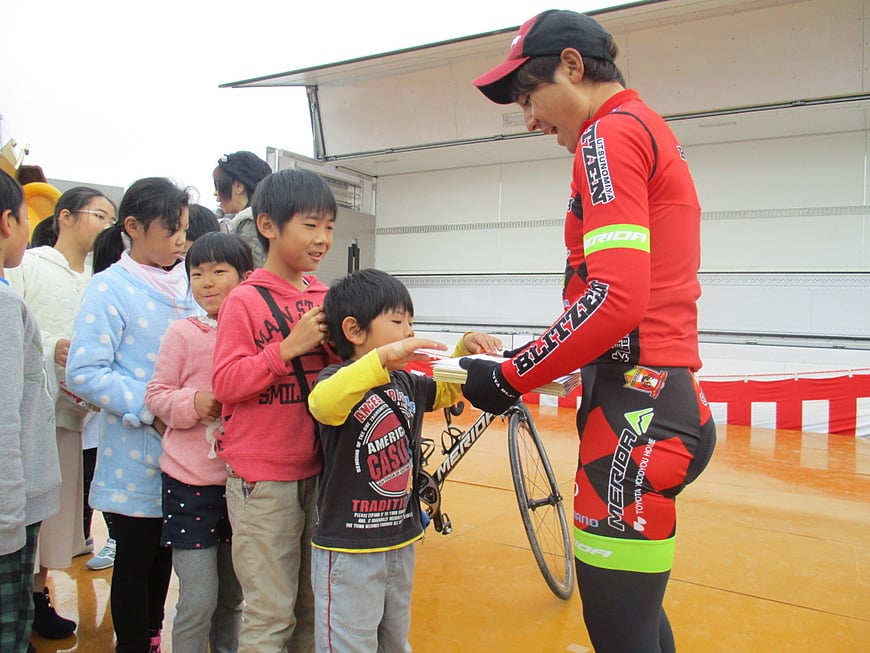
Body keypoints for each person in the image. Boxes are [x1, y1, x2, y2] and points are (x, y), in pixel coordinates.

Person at [464, 10, 717, 652]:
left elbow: (615, 296)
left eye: (530, 96)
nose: (528, 119)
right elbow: (611, 297)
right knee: (636, 627)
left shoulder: (609, 136)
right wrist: (519, 362)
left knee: (619, 634)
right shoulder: (646, 127)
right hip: (658, 400)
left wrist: (511, 375)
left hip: (634, 417)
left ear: (573, 66)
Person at [308, 268, 502, 652]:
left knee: (394, 640)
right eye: (398, 322)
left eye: (411, 323)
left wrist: (465, 348)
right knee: (348, 642)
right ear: (354, 330)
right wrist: (385, 357)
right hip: (349, 547)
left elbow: (445, 392)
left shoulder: (406, 383)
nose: (408, 332)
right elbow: (323, 405)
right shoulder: (336, 380)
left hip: (400, 539)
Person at [66, 177, 199, 653]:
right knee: (136, 557)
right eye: (171, 231)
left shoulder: (188, 281)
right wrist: (152, 407)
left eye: (184, 230)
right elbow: (85, 371)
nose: (181, 241)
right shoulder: (110, 288)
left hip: (184, 452)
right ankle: (132, 645)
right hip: (134, 451)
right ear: (134, 228)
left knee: (165, 554)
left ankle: (151, 637)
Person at [212, 168, 338, 653]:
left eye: (328, 226)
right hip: (263, 481)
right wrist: (285, 350)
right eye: (310, 225)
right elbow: (225, 384)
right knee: (269, 614)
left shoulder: (325, 297)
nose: (323, 239)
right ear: (268, 225)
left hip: (320, 473)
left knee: (311, 608)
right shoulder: (243, 300)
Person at [5, 186, 116, 639]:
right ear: (65, 217)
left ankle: (38, 592)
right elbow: (17, 325)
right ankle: (23, 597)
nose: (107, 225)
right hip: (32, 409)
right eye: (99, 215)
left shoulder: (95, 277)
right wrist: (54, 346)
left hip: (76, 412)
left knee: (55, 511)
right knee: (25, 505)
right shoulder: (30, 264)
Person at [145, 232, 252, 653]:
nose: (206, 282)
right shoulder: (182, 333)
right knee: (198, 598)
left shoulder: (255, 336)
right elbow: (156, 394)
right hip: (189, 485)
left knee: (232, 597)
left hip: (242, 485)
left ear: (246, 278)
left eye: (218, 272)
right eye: (197, 273)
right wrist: (193, 402)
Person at [0, 170, 61, 653]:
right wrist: (7, 518)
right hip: (7, 514)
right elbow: (5, 417)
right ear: (7, 223)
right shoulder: (4, 305)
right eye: (24, 219)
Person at [213, 151, 272, 268]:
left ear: (238, 186)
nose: (215, 193)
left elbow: (251, 271)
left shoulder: (250, 224)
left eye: (218, 185)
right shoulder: (261, 219)